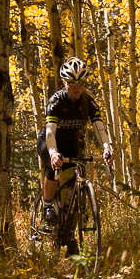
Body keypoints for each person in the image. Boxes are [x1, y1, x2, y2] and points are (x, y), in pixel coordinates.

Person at [36, 57, 114, 253]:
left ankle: (70, 235)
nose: (76, 87)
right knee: (54, 166)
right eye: (71, 83)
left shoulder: (89, 102)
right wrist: (53, 153)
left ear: (85, 83)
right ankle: (47, 206)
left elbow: (99, 128)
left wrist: (107, 148)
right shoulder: (56, 101)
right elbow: (50, 132)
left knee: (76, 192)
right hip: (49, 142)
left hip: (71, 145)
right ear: (64, 82)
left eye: (80, 83)